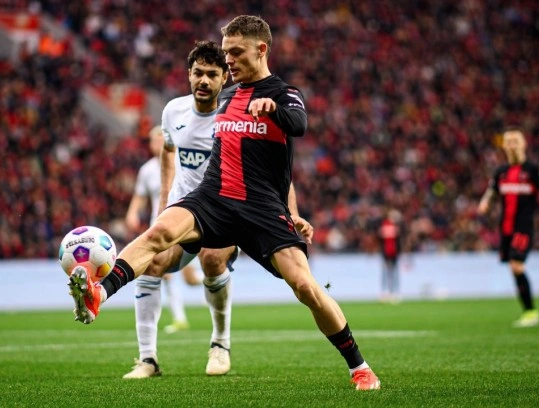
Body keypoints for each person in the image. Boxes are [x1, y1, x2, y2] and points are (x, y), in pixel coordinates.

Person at [69, 15, 379, 391]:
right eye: (226, 51)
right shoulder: (227, 97)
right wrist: (171, 198)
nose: (228, 59)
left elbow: (298, 126)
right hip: (213, 197)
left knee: (305, 287)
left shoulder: (284, 93)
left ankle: (360, 367)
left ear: (261, 50)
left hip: (261, 207)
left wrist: (274, 116)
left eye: (236, 52)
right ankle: (98, 294)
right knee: (158, 234)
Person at [123, 40, 238, 379]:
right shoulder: (173, 111)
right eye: (198, 73)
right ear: (189, 74)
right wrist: (164, 203)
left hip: (223, 211)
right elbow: (168, 151)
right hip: (183, 210)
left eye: (212, 74)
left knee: (212, 260)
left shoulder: (233, 117)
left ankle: (220, 344)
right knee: (151, 262)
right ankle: (148, 360)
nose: (204, 80)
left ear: (224, 79)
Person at [124, 125, 202, 336]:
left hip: (186, 225)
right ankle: (179, 319)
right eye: (154, 140)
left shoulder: (184, 163)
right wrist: (132, 213)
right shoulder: (147, 170)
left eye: (161, 140)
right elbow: (140, 196)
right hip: (159, 227)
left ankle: (214, 280)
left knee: (190, 280)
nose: (158, 144)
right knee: (165, 273)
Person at [477, 129, 539, 328]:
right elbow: (492, 191)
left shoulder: (534, 170)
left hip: (524, 226)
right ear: (504, 146)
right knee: (513, 268)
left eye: (515, 141)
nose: (512, 145)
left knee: (516, 265)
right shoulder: (501, 172)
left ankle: (531, 312)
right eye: (508, 142)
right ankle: (528, 311)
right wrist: (485, 202)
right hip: (505, 228)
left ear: (523, 144)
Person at [377, 208, 402, 303]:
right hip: (386, 252)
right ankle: (385, 291)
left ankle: (395, 291)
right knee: (386, 272)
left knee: (394, 272)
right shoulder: (384, 225)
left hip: (394, 252)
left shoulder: (396, 227)